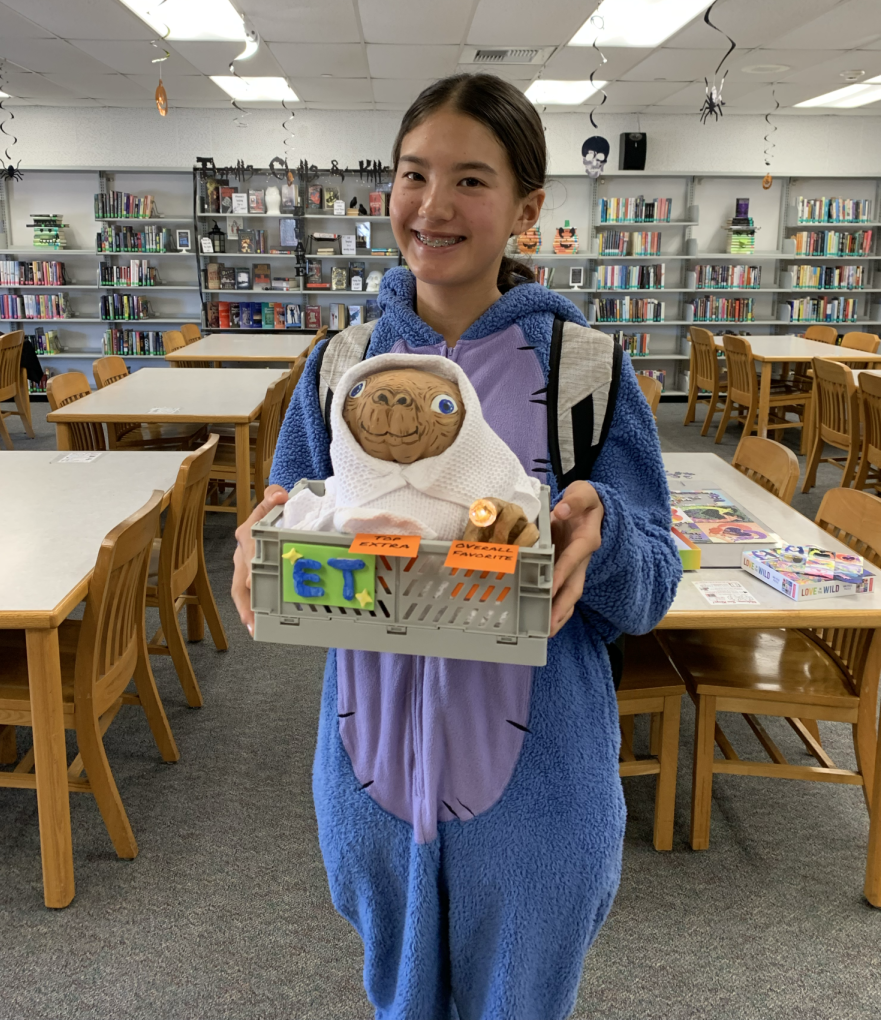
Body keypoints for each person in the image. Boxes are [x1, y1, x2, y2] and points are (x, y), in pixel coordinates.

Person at [232, 74, 681, 1020]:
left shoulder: (584, 370)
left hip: (541, 793)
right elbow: (298, 512)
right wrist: (265, 535)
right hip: (370, 775)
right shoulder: (338, 366)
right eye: (412, 174)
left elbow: (650, 588)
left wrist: (605, 537)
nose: (433, 206)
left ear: (527, 207)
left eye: (471, 180)